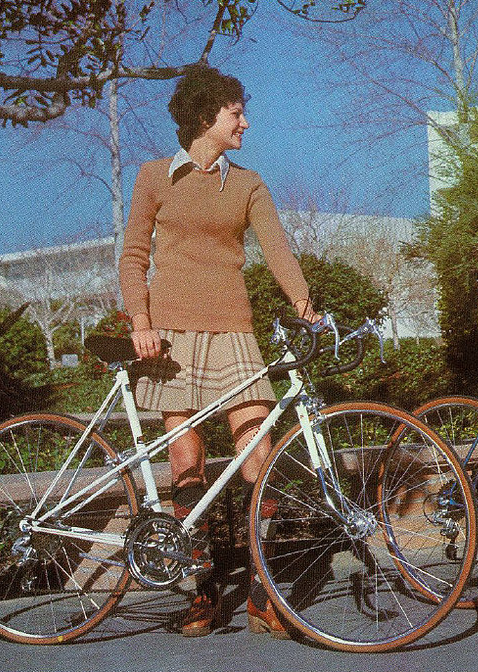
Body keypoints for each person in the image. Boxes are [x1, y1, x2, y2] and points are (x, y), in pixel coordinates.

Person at [119, 65, 319, 638]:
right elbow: (133, 256)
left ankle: (263, 592)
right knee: (186, 465)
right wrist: (141, 320)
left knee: (259, 455)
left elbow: (278, 252)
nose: (245, 122)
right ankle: (200, 589)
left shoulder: (250, 184)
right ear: (208, 116)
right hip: (170, 340)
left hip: (235, 333)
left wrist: (305, 304)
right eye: (236, 113)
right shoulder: (155, 177)